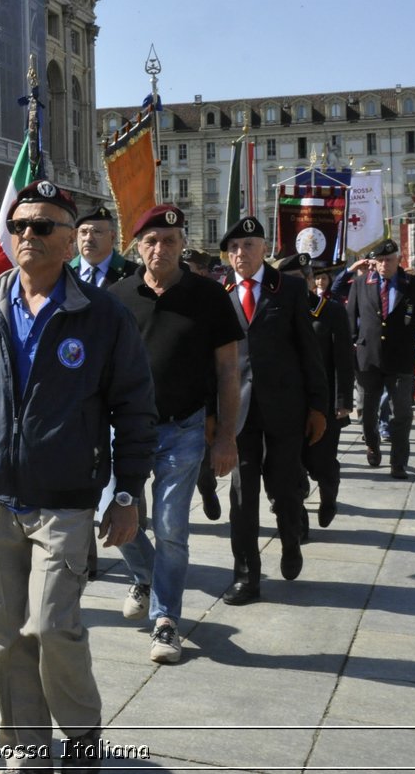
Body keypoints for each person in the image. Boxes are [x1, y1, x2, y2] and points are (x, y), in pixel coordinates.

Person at [0, 178, 156, 770]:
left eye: (43, 225)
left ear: (69, 238)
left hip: (66, 500)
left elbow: (134, 409)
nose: (28, 234)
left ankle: (80, 735)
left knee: (53, 624)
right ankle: (25, 746)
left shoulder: (101, 315)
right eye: (20, 225)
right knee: (5, 633)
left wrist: (127, 494)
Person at [107, 205, 242, 664]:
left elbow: (228, 370)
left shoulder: (209, 296)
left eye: (169, 240)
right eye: (151, 241)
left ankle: (165, 621)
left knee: (170, 527)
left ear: (183, 245)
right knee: (113, 515)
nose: (159, 249)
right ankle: (146, 577)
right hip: (123, 430)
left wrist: (226, 435)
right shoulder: (117, 297)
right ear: (137, 247)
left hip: (182, 428)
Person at [220, 217, 328, 606]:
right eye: (233, 248)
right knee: (241, 496)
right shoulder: (221, 291)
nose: (239, 254)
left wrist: (318, 406)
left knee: (284, 489)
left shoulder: (291, 288)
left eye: (248, 246)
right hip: (238, 410)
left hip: (285, 407)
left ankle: (291, 539)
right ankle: (246, 576)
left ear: (264, 248)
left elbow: (308, 350)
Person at [347, 239, 415, 478]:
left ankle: (398, 462)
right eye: (379, 260)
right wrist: (350, 350)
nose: (384, 264)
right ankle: (372, 442)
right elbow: (350, 322)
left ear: (399, 260)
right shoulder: (360, 284)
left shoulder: (413, 285)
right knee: (367, 411)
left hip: (401, 358)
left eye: (389, 260)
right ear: (374, 263)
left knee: (402, 413)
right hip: (368, 359)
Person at [275, 254, 352, 532]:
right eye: (287, 281)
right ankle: (299, 521)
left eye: (299, 280)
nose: (293, 287)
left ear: (310, 280)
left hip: (324, 403)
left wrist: (344, 400)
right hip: (288, 405)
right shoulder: (275, 310)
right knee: (291, 467)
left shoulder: (331, 312)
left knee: (321, 464)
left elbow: (344, 359)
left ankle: (329, 494)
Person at [69, 206, 139, 289]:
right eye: (83, 232)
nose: (89, 238)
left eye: (97, 232)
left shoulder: (135, 274)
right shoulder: (63, 273)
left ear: (112, 237)